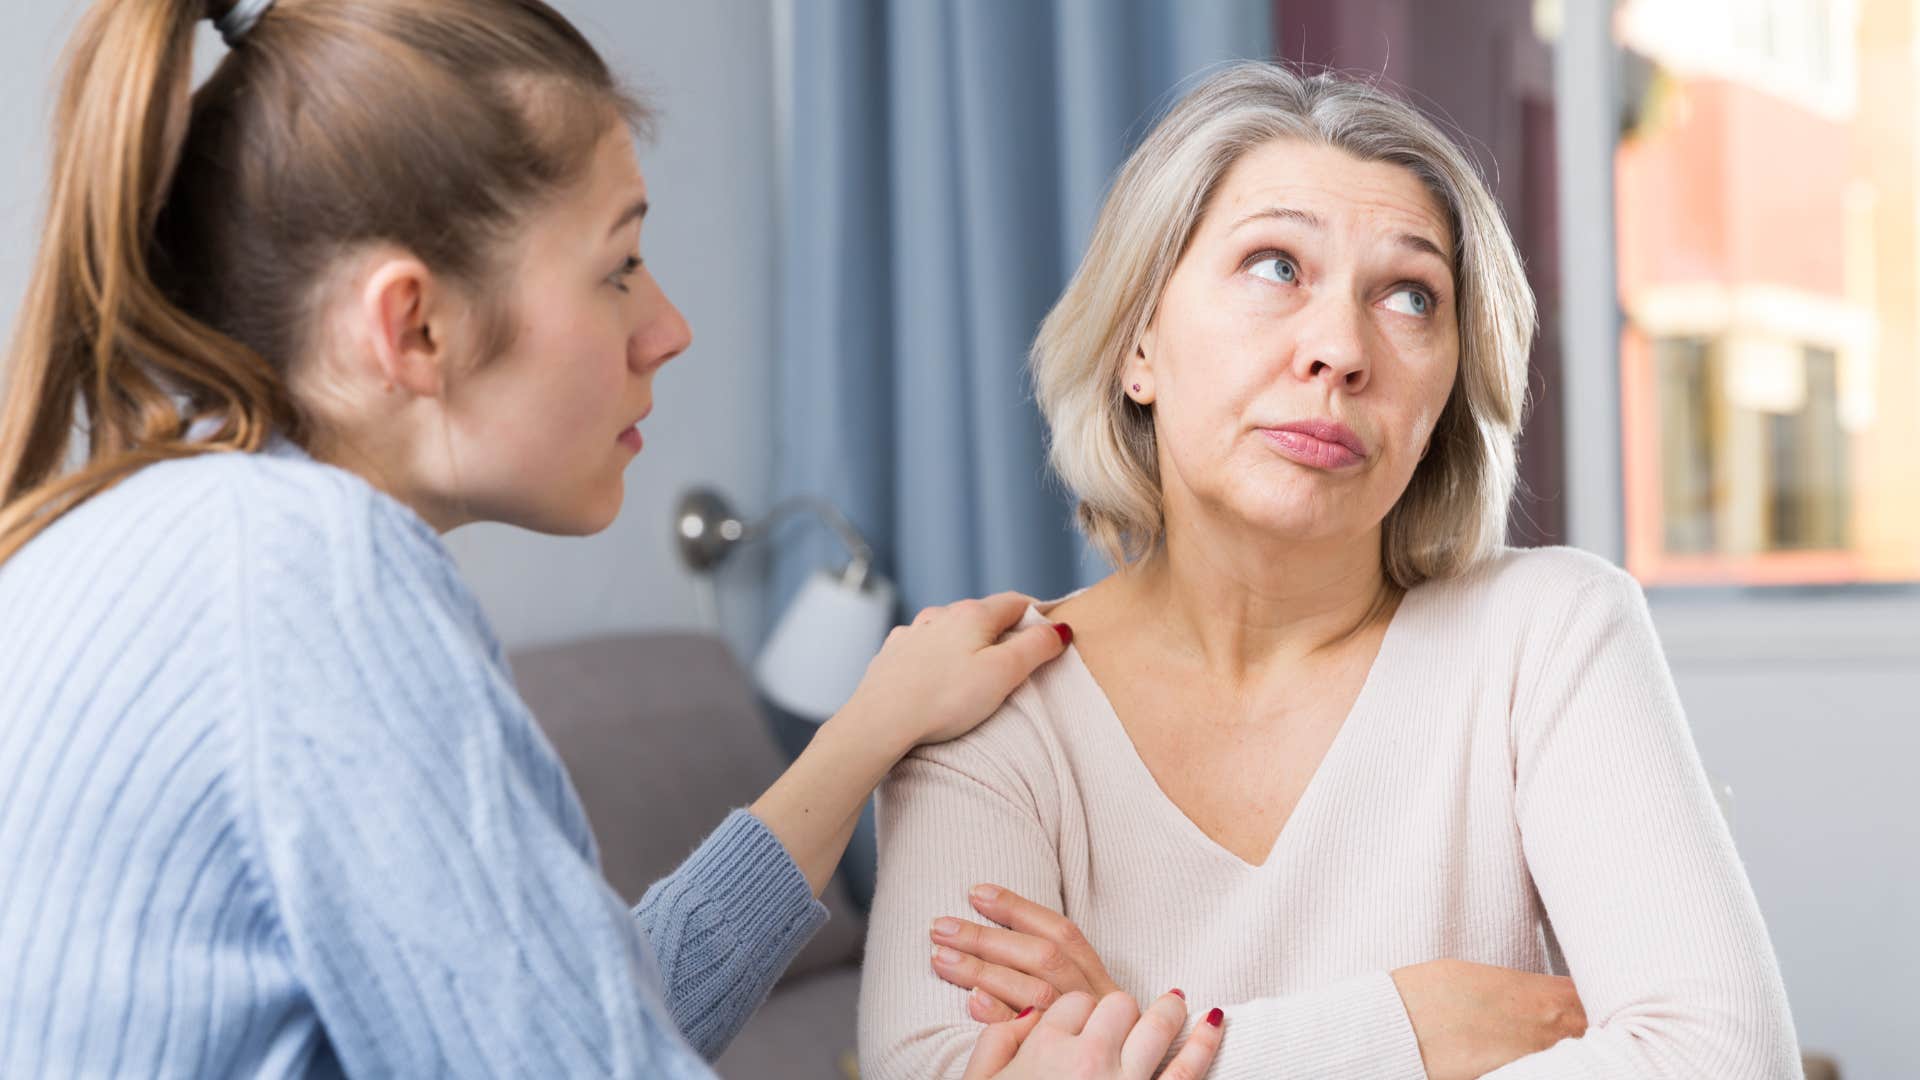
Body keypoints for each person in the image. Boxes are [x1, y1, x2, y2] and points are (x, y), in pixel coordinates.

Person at [0, 2, 1224, 1077]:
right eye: (619, 265)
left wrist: (868, 729)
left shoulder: (172, 526)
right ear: (412, 328)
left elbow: (590, 996)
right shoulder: (307, 574)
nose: (669, 326)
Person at [859, 61, 1804, 1080]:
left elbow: (1726, 1059)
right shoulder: (992, 700)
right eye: (1276, 266)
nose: (1342, 350)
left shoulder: (1555, 632)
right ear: (1139, 342)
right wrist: (1407, 1029)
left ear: (1446, 389)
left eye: (1409, 296)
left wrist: (1159, 1050)